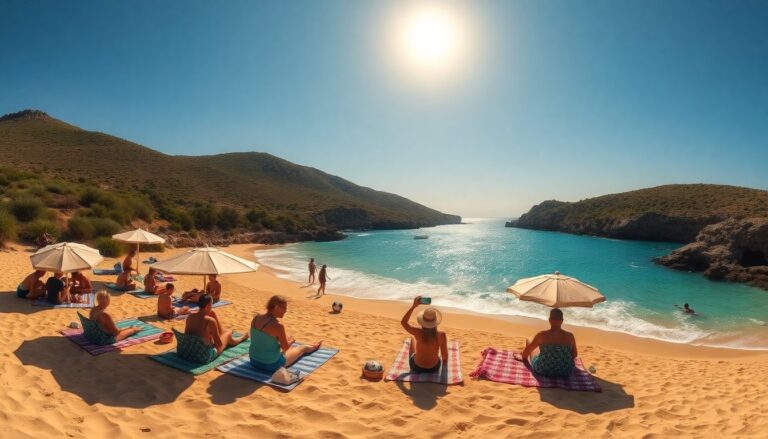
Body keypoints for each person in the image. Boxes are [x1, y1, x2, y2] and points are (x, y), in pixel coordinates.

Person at [249, 295, 322, 373]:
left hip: (253, 360)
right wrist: (291, 341)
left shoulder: (256, 317)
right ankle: (314, 347)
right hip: (271, 364)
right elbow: (285, 348)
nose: (286, 310)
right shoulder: (278, 325)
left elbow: (260, 340)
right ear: (276, 307)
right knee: (302, 348)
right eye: (284, 308)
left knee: (287, 348)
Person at [518, 308, 577, 378]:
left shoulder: (541, 335)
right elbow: (574, 354)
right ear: (562, 321)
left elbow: (526, 352)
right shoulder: (570, 336)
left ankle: (527, 358)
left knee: (529, 341)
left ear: (549, 320)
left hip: (543, 369)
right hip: (564, 372)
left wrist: (524, 358)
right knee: (541, 349)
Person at [400, 296, 448, 373]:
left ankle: (414, 356)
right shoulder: (441, 335)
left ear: (422, 320)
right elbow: (444, 357)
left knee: (412, 339)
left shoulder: (417, 332)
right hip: (433, 368)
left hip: (416, 367)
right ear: (435, 321)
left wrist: (413, 306)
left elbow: (403, 322)